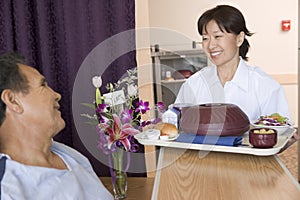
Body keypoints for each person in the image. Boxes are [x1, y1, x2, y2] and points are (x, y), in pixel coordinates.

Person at [175, 5, 298, 146]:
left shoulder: (265, 85)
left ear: (239, 39)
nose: (210, 45)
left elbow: (281, 136)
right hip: (201, 165)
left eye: (218, 36)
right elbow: (176, 125)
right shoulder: (193, 84)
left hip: (252, 165)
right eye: (205, 38)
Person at [0, 52, 113, 199]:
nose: (56, 95)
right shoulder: (8, 189)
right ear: (12, 101)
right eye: (43, 85)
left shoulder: (68, 156)